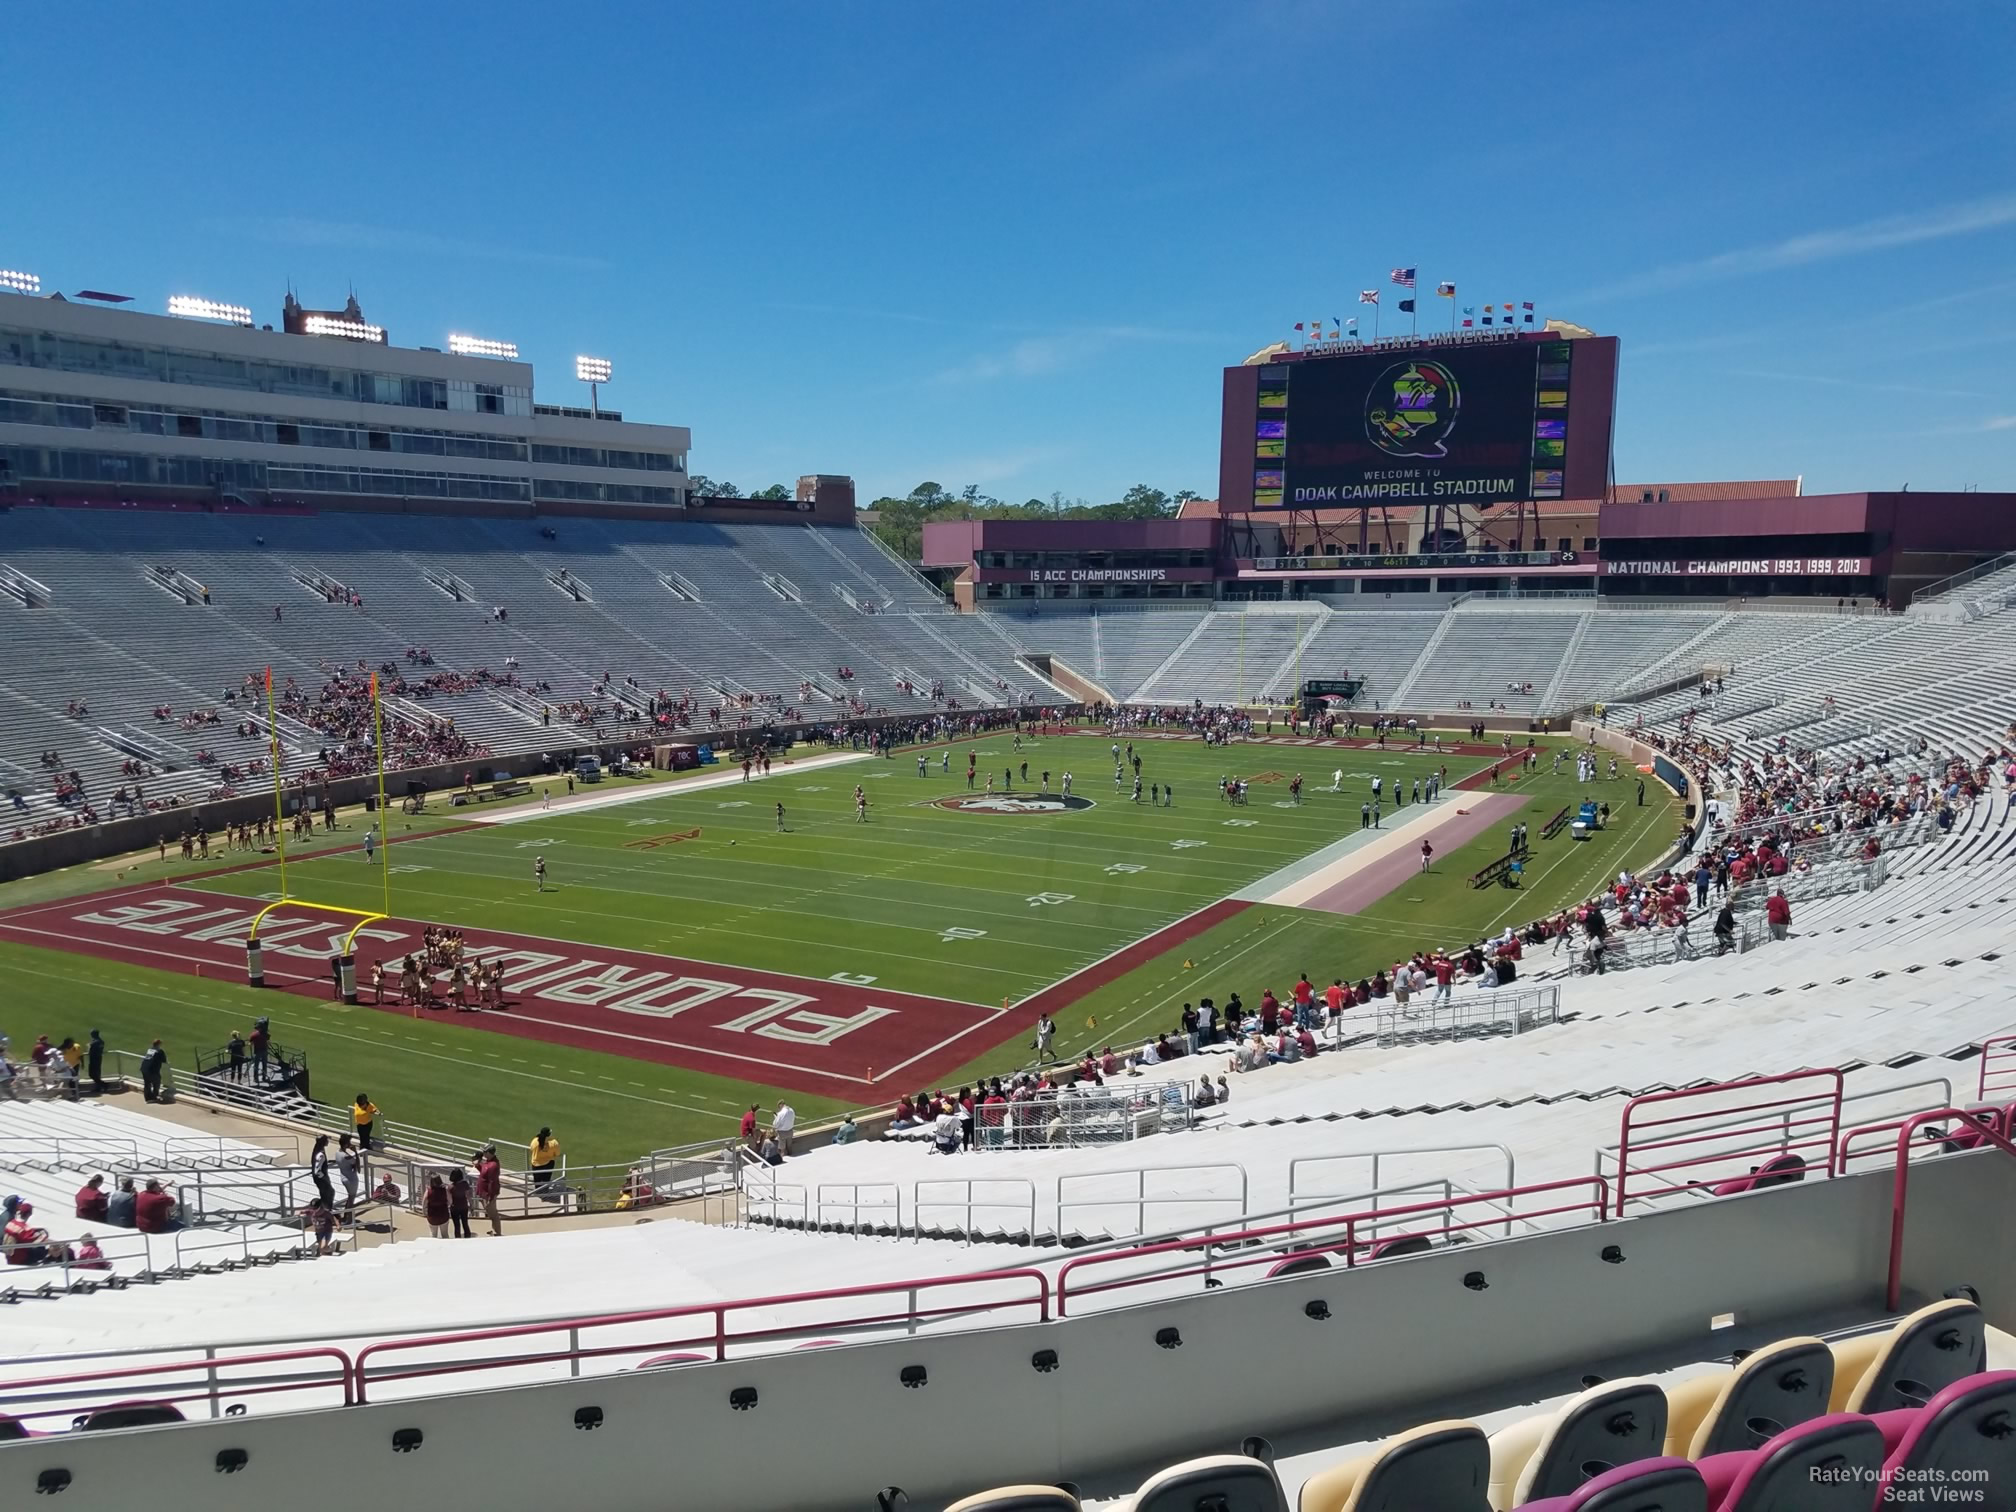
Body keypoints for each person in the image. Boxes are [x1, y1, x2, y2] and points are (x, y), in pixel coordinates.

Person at [476, 1145, 503, 1235]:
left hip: (488, 1194)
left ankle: (497, 1233)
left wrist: (490, 1197)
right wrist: (477, 1165)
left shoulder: (493, 1165)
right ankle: (494, 1230)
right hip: (484, 1193)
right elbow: (484, 1173)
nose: (483, 1153)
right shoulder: (488, 1162)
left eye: (484, 1152)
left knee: (493, 1214)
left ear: (488, 1153)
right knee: (490, 1214)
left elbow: (492, 1182)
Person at [337, 1135, 361, 1217]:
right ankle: (348, 1218)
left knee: (349, 1199)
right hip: (351, 1179)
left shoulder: (338, 1153)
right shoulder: (346, 1155)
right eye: (348, 1142)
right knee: (351, 1200)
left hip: (344, 1177)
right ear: (345, 1144)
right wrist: (355, 1152)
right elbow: (357, 1165)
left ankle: (346, 1216)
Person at [310, 1135, 334, 1208]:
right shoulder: (321, 1155)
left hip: (318, 1179)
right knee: (328, 1194)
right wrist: (324, 1178)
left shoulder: (317, 1151)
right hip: (321, 1179)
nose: (328, 1141)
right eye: (327, 1140)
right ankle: (327, 1211)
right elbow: (317, 1170)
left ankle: (325, 1210)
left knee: (326, 1194)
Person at [448, 1167, 473, 1238]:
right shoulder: (465, 1184)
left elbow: (450, 1200)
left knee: (457, 1226)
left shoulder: (450, 1187)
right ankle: (468, 1237)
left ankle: (458, 1239)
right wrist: (471, 1205)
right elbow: (468, 1196)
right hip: (464, 1206)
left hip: (454, 1208)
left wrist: (450, 1206)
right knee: (465, 1224)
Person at [86, 1028, 105, 1095]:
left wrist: (88, 1046)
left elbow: (89, 1052)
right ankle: (99, 1087)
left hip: (93, 1060)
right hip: (99, 1059)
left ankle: (104, 1085)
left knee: (92, 1074)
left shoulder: (93, 1043)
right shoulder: (101, 1041)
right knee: (97, 1074)